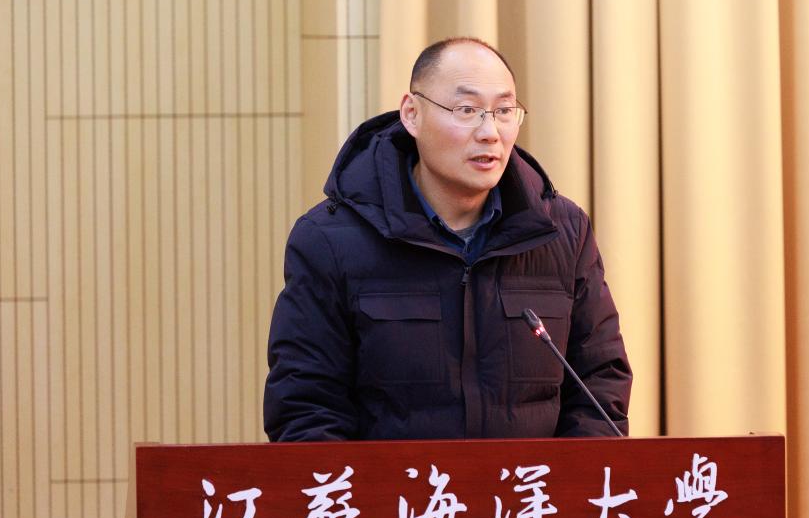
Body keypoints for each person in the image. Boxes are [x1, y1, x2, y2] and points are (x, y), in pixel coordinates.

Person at [264, 37, 631, 441]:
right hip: (398, 485)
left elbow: (600, 382)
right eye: (466, 110)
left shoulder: (562, 231)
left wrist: (569, 479)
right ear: (412, 114)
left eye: (503, 111)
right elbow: (306, 407)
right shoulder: (330, 240)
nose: (490, 132)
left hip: (532, 483)